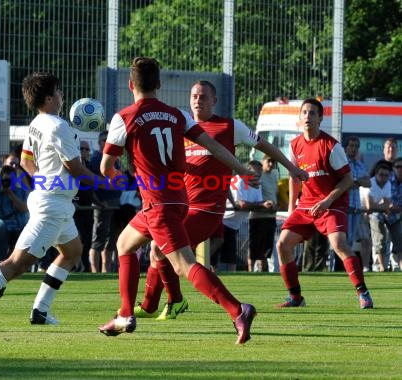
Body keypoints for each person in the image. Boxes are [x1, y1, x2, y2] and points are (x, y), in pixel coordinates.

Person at [97, 57, 260, 344]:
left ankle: (238, 310)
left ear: (130, 84)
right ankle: (126, 313)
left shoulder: (123, 117)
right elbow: (211, 144)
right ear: (158, 85)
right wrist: (240, 167)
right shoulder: (177, 115)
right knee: (125, 244)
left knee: (184, 265)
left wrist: (117, 175)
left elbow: (105, 166)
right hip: (177, 199)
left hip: (158, 203)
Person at [134, 80, 306, 320]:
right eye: (194, 96)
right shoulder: (180, 127)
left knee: (160, 249)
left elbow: (264, 145)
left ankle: (162, 303)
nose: (198, 100)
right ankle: (162, 303)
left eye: (204, 96)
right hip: (180, 204)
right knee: (160, 251)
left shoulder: (229, 126)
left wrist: (291, 167)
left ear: (214, 101)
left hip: (208, 209)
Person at [0, 71, 107, 326]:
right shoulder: (59, 126)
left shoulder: (37, 123)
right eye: (58, 91)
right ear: (48, 98)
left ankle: (40, 311)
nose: (62, 95)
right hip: (51, 206)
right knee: (17, 264)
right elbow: (76, 168)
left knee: (72, 251)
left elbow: (25, 161)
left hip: (56, 202)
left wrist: (44, 179)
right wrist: (106, 181)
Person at [275, 97, 373, 309]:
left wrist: (327, 201)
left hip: (333, 203)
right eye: (304, 113)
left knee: (338, 244)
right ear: (299, 118)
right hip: (306, 205)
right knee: (283, 244)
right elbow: (294, 177)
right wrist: (293, 207)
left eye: (312, 113)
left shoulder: (331, 146)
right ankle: (296, 297)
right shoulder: (295, 145)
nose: (307, 116)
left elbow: (347, 180)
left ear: (320, 118)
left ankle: (363, 292)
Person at [334, 136, 370, 272]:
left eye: (356, 146)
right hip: (345, 208)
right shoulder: (343, 163)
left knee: (349, 242)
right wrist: (354, 182)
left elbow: (368, 182)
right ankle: (339, 269)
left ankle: (346, 270)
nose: (354, 149)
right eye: (351, 146)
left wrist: (355, 181)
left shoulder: (359, 164)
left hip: (355, 209)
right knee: (343, 242)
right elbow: (343, 183)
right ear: (345, 147)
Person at [88, 130, 121, 273]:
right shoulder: (96, 159)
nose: (107, 142)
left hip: (115, 204)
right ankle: (95, 273)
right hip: (101, 205)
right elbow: (89, 185)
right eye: (104, 140)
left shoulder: (116, 159)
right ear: (99, 142)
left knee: (111, 242)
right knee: (98, 241)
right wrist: (99, 202)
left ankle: (106, 271)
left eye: (109, 139)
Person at [0, 164, 29, 261]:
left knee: (17, 255)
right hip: (0, 228)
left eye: (10, 180)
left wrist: (10, 193)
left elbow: (23, 208)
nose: (7, 183)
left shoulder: (21, 192)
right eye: (5, 180)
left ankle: (16, 263)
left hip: (18, 227)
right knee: (0, 229)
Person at [72, 140, 100, 272]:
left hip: (87, 210)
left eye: (87, 149)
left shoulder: (89, 167)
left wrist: (99, 203)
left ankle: (84, 265)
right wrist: (73, 201)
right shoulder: (71, 167)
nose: (84, 151)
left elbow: (91, 190)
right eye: (81, 149)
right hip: (74, 211)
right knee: (78, 239)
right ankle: (76, 265)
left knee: (88, 240)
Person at [367, 162, 393, 272]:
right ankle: (377, 267)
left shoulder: (388, 184)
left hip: (373, 214)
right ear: (376, 174)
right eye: (381, 175)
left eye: (386, 175)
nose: (384, 178)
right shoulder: (370, 183)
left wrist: (380, 207)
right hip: (360, 213)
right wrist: (383, 208)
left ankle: (381, 267)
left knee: (380, 240)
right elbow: (369, 206)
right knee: (368, 241)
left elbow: (387, 204)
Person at [387, 157, 402, 270]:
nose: (400, 169)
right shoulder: (386, 179)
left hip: (398, 217)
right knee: (381, 243)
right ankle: (379, 268)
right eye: (397, 167)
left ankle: (398, 268)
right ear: (393, 168)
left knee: (399, 244)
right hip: (383, 214)